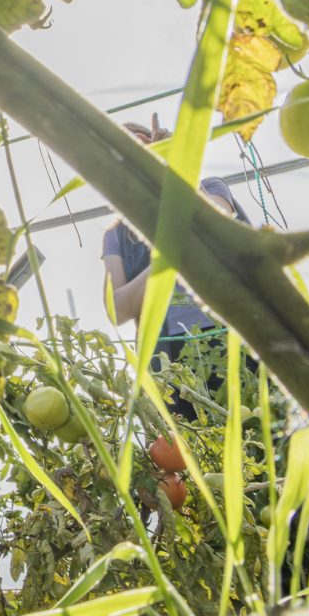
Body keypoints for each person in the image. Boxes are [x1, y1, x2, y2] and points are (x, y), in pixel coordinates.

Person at [101, 119, 250, 418]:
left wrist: (179, 166)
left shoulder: (209, 186)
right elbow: (117, 308)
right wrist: (170, 255)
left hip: (233, 336)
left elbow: (219, 222)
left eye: (141, 145)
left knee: (256, 421)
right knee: (192, 449)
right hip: (170, 359)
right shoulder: (118, 234)